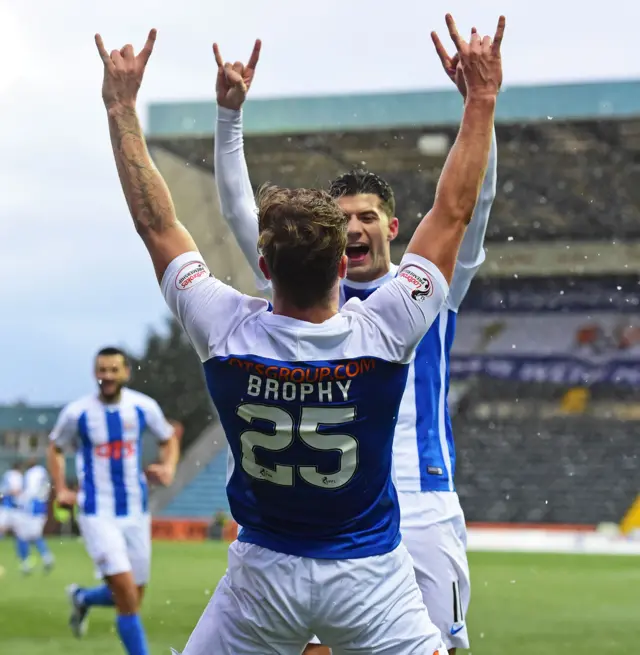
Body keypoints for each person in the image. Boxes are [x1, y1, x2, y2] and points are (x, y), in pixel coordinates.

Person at [94, 13, 503, 653]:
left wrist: (121, 108)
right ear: (342, 264)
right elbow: (454, 210)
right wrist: (481, 101)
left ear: (262, 266)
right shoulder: (388, 327)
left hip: (265, 571)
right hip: (369, 573)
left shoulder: (225, 327)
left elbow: (157, 223)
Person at [213, 20, 500, 655]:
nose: (353, 228)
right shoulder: (302, 294)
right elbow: (241, 214)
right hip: (329, 510)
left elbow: (469, 207)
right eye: (340, 220)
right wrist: (228, 121)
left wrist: (479, 109)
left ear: (393, 226)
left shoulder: (430, 290)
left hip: (420, 499)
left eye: (366, 216)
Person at [47, 346, 180, 655]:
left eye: (113, 370)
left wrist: (169, 467)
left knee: (131, 595)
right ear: (95, 373)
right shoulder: (77, 412)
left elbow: (168, 437)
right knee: (127, 599)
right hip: (96, 511)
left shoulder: (143, 407)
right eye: (101, 370)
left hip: (136, 510)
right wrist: (61, 488)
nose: (106, 376)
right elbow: (55, 447)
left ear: (126, 373)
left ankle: (83, 598)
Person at [13, 458, 55, 574]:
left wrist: (20, 500)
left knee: (23, 535)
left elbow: (31, 492)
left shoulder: (32, 473)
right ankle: (45, 557)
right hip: (41, 507)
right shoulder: (42, 471)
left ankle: (26, 562)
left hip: (31, 508)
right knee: (33, 535)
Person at [0, 462, 22, 540]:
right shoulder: (14, 475)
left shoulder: (7, 474)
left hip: (7, 504)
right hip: (11, 504)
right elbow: (14, 490)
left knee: (3, 525)